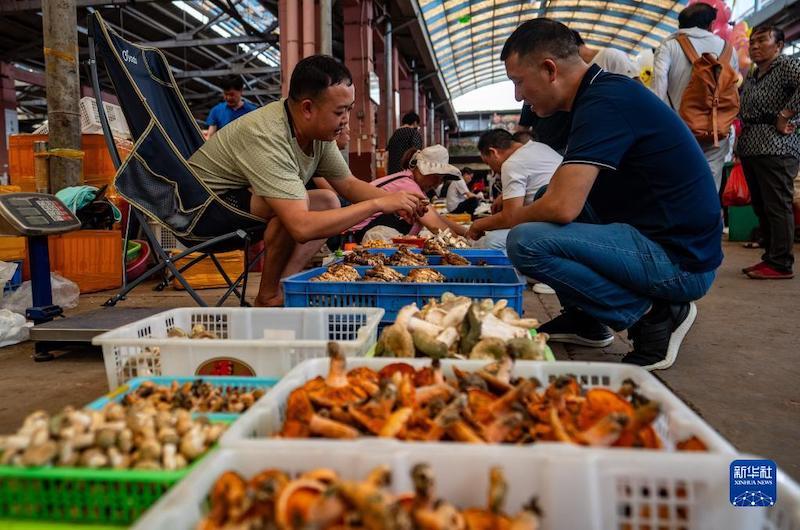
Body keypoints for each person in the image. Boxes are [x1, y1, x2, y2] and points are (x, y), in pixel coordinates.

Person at [500, 19, 723, 370]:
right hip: (667, 240)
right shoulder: (599, 94)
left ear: (549, 69)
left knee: (526, 240)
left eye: (518, 81)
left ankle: (654, 318)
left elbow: (562, 208)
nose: (518, 96)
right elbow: (559, 193)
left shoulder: (605, 102)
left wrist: (502, 220)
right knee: (544, 195)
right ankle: (587, 319)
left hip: (682, 262)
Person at [188, 55, 425, 306]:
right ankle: (269, 296)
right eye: (339, 111)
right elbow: (301, 226)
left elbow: (348, 184)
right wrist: (377, 205)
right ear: (308, 108)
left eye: (349, 108)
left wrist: (400, 201)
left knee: (326, 200)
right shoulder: (268, 135)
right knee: (295, 205)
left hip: (237, 203)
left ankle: (286, 287)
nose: (346, 119)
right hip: (201, 213)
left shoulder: (317, 133)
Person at [653, 3, 739, 191]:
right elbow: (732, 87)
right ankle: (707, 217)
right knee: (710, 181)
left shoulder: (669, 45)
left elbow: (659, 82)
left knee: (678, 180)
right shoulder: (729, 50)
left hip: (679, 129)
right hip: (717, 131)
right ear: (711, 24)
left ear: (681, 25)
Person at [737, 25, 800, 280]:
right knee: (762, 206)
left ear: (779, 45)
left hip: (777, 146)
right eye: (752, 42)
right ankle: (770, 257)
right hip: (753, 146)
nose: (754, 46)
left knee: (777, 204)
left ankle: (781, 262)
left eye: (762, 40)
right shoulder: (753, 74)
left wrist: (786, 114)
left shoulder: (787, 66)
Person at [349, 145, 469, 242]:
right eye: (434, 177)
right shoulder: (407, 184)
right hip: (359, 236)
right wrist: (461, 245)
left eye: (441, 178)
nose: (437, 183)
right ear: (421, 171)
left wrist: (466, 233)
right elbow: (435, 225)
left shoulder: (410, 181)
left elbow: (437, 218)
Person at [467, 129, 561, 251]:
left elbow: (511, 217)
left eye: (488, 163)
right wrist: (504, 195)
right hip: (571, 220)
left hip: (554, 228)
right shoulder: (541, 147)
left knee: (491, 241)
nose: (494, 172)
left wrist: (477, 225)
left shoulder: (512, 163)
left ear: (493, 152)